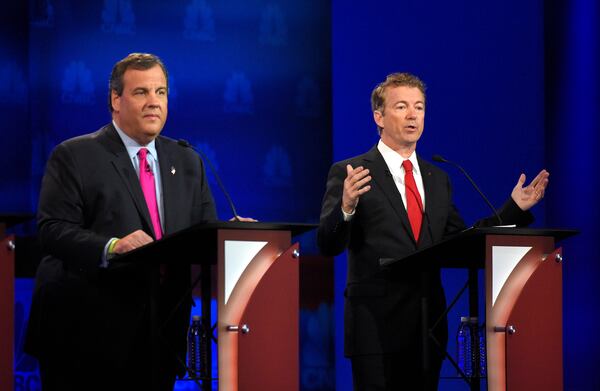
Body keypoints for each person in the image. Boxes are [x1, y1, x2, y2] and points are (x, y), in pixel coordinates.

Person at [317, 72, 548, 390]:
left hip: (427, 326)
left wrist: (513, 209)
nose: (412, 115)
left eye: (419, 107)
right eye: (401, 107)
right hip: (375, 326)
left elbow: (460, 239)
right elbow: (327, 244)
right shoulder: (353, 172)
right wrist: (345, 207)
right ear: (379, 117)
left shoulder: (438, 178)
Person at [24, 53, 243, 390]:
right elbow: (53, 230)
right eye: (141, 93)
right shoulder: (75, 155)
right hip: (85, 334)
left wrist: (234, 233)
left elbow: (203, 231)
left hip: (161, 332)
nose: (153, 103)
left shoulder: (187, 160)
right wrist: (112, 247)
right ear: (115, 99)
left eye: (161, 92)